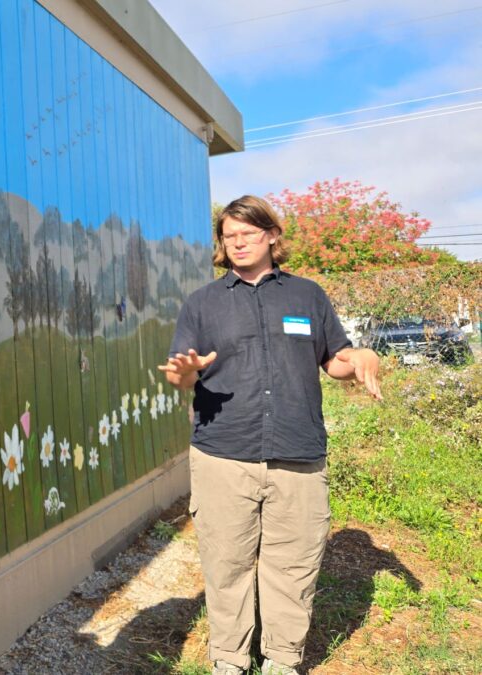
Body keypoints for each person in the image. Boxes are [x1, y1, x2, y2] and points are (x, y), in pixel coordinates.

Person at [158, 195, 381, 675]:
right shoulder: (202, 303)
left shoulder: (307, 296)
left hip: (298, 454)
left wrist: (360, 358)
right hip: (224, 455)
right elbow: (181, 376)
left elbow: (334, 360)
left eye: (248, 233)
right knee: (227, 565)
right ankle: (230, 660)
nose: (237, 243)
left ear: (272, 235)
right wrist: (184, 373)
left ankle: (282, 659)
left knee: (293, 565)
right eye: (229, 236)